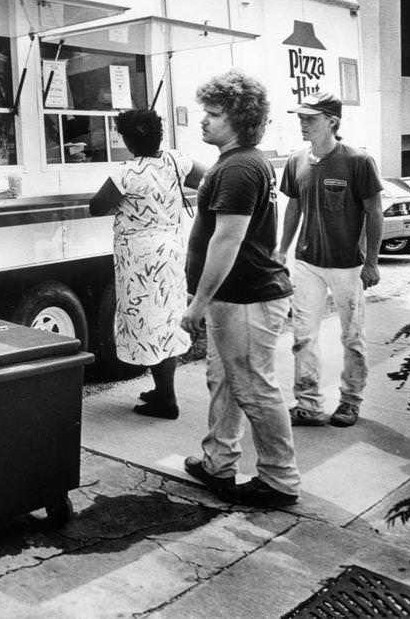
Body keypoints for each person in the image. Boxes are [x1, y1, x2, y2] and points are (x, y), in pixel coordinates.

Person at [180, 70, 300, 508]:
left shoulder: (238, 168)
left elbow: (226, 241)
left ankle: (280, 479)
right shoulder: (241, 163)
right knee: (225, 382)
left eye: (213, 114)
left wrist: (197, 304)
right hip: (237, 299)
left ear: (239, 118)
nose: (204, 121)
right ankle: (218, 462)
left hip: (248, 298)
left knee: (253, 386)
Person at [89, 109, 204, 419]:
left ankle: (166, 398)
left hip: (140, 258)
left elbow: (96, 207)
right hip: (171, 250)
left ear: (127, 140)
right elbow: (208, 179)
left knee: (149, 322)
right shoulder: (176, 161)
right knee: (165, 320)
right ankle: (162, 389)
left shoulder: (127, 173)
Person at [278, 92, 383, 428]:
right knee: (303, 335)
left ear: (332, 122)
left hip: (348, 264)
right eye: (300, 118)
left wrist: (372, 261)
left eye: (310, 118)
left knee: (351, 335)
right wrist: (282, 248)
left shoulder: (358, 161)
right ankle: (307, 403)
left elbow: (374, 211)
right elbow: (294, 206)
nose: (303, 124)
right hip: (307, 262)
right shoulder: (296, 160)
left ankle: (351, 400)